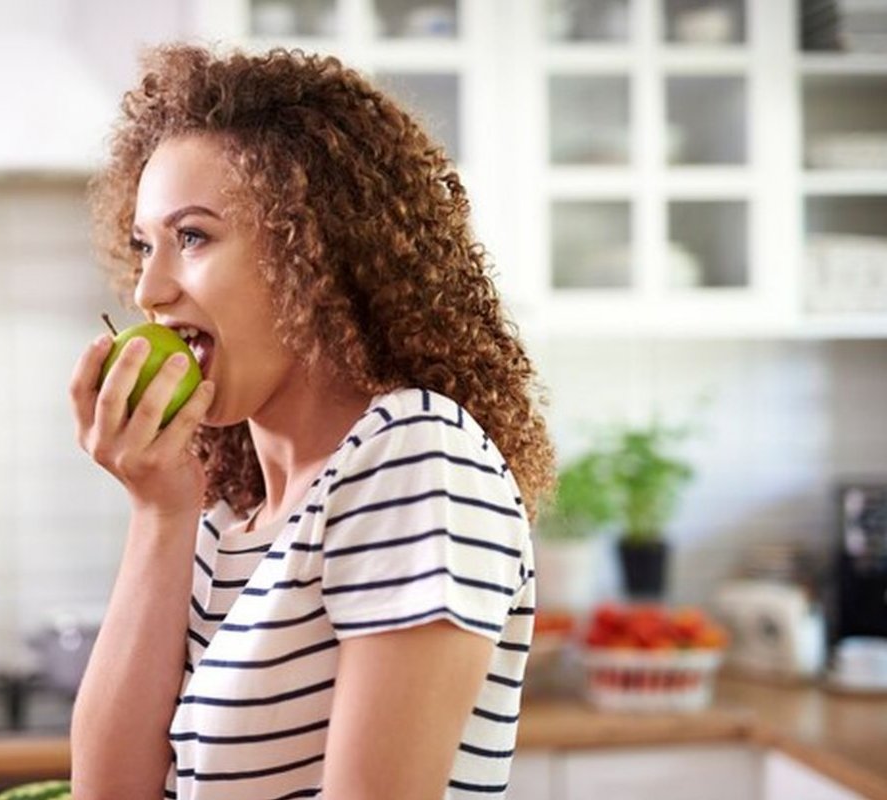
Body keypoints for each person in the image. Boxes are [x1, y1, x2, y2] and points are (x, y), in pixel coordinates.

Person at [68, 43, 557, 800]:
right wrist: (158, 510)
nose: (149, 289)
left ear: (313, 251)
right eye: (143, 246)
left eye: (192, 237)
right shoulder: (229, 519)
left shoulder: (415, 459)